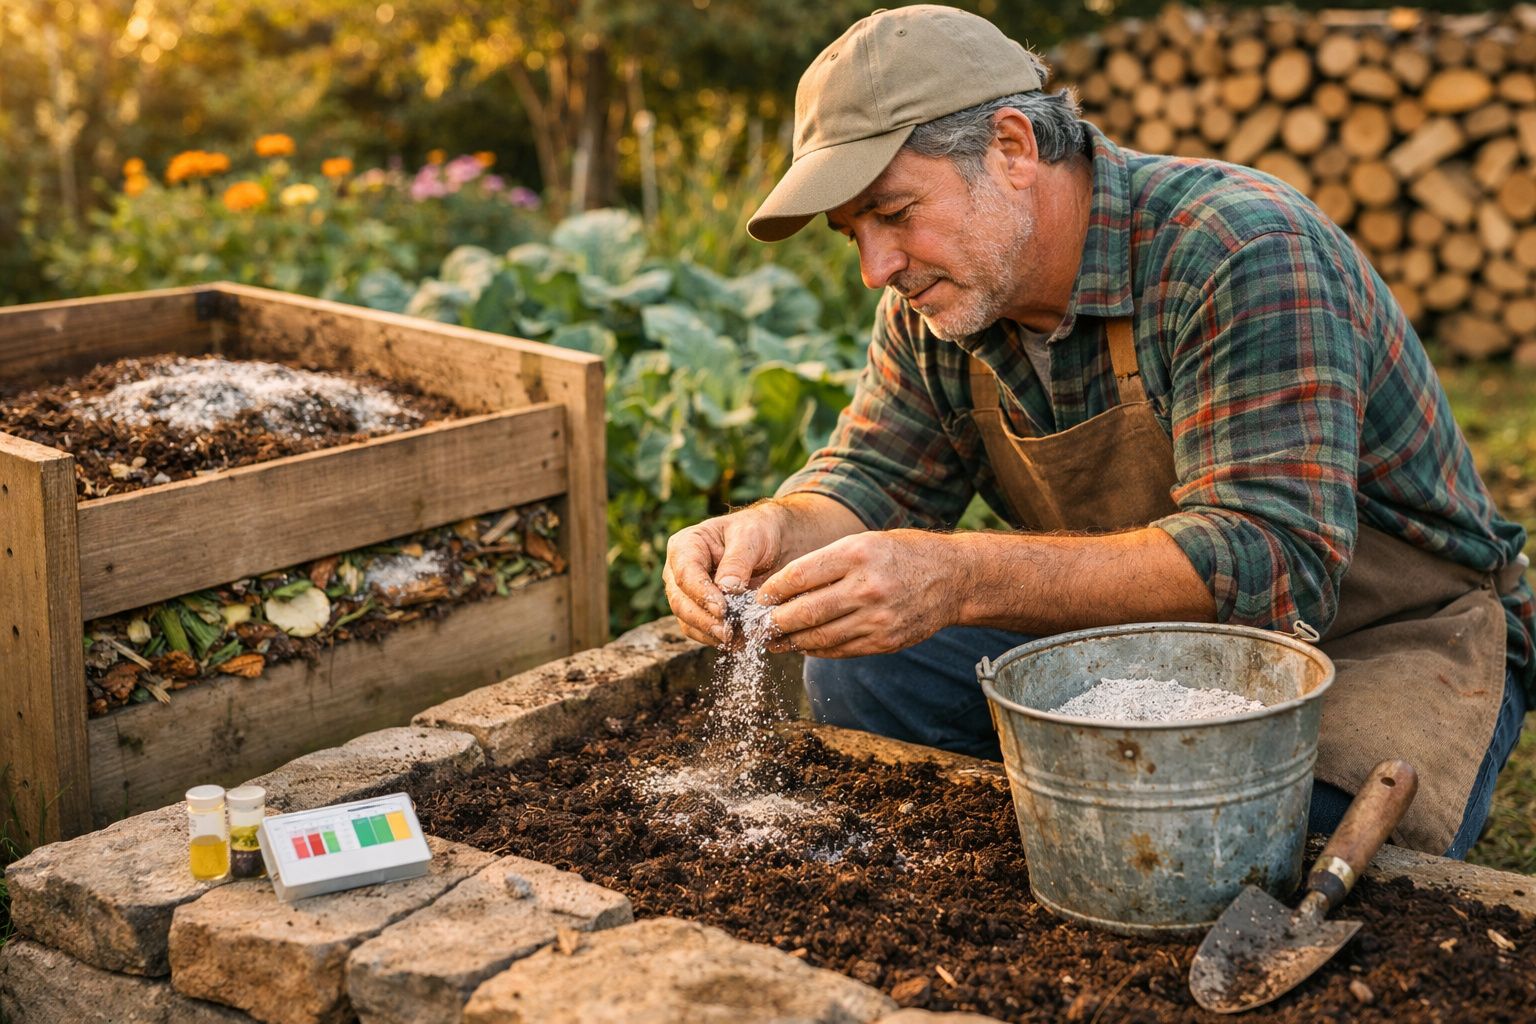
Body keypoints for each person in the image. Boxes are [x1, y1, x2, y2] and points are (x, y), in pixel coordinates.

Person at [661, 4, 1533, 858]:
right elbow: (866, 482)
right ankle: (1041, 846)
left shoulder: (1238, 246)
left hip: (1374, 637)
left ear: (1011, 147)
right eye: (853, 233)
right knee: (861, 669)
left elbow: (1270, 561)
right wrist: (773, 526)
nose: (875, 268)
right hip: (1135, 633)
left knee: (1251, 835)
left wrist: (957, 576)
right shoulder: (938, 301)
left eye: (894, 213)